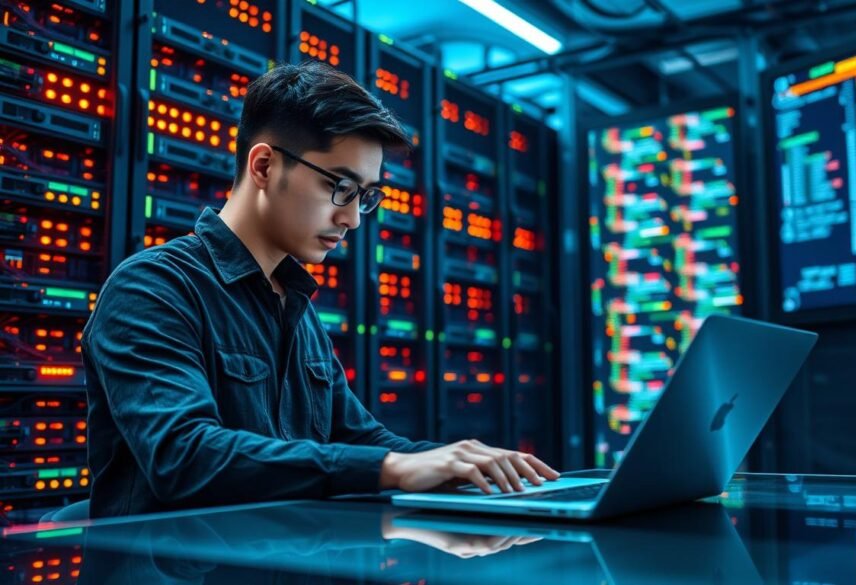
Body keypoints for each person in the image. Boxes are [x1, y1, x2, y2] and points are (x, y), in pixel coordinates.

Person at [81, 61, 559, 518]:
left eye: (365, 197)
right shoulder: (153, 288)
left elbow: (358, 437)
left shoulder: (294, 304)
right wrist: (393, 470)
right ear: (265, 166)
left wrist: (468, 464)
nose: (351, 218)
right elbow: (184, 457)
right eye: (340, 187)